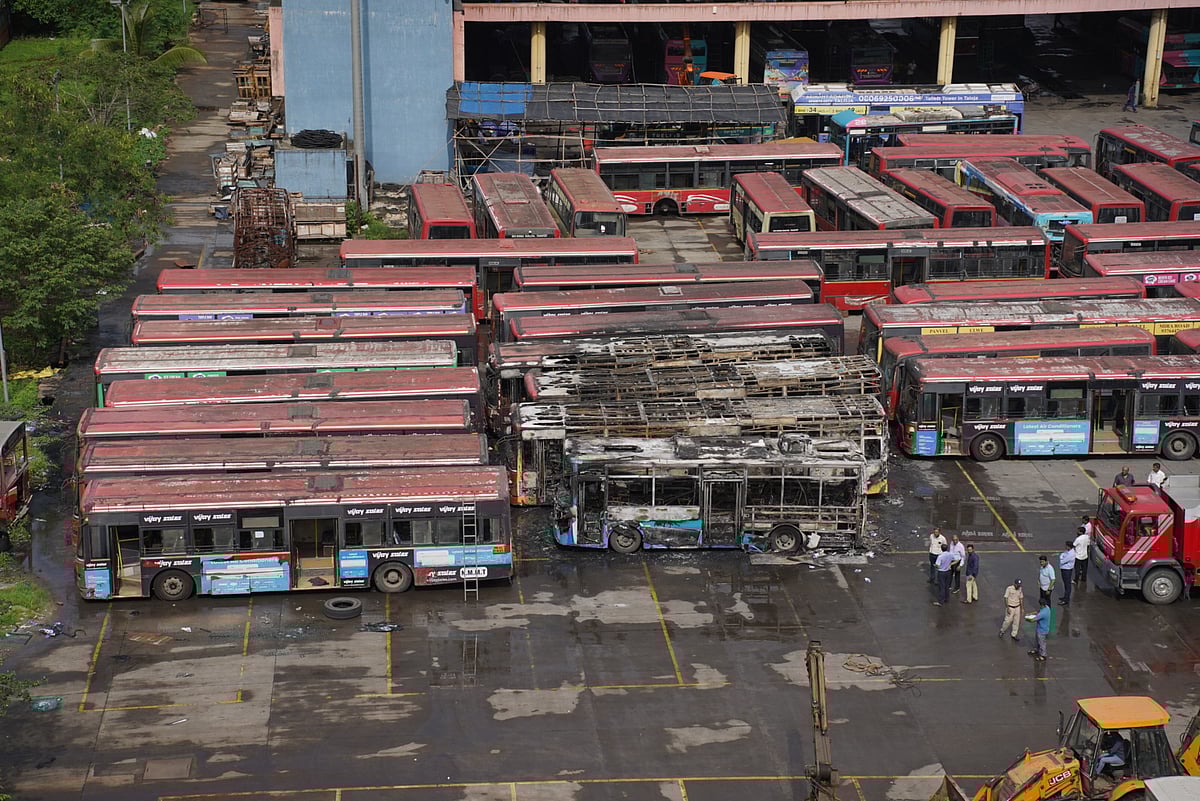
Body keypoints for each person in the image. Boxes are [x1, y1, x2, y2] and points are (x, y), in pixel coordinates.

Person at [1073, 523, 1091, 587]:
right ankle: (1084, 579)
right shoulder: (1087, 537)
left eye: (1078, 531)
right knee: (1084, 568)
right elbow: (1088, 544)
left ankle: (1076, 580)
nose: (1077, 532)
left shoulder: (1078, 539)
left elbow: (1074, 545)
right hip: (1085, 555)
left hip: (1078, 556)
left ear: (1080, 532)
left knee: (1077, 569)